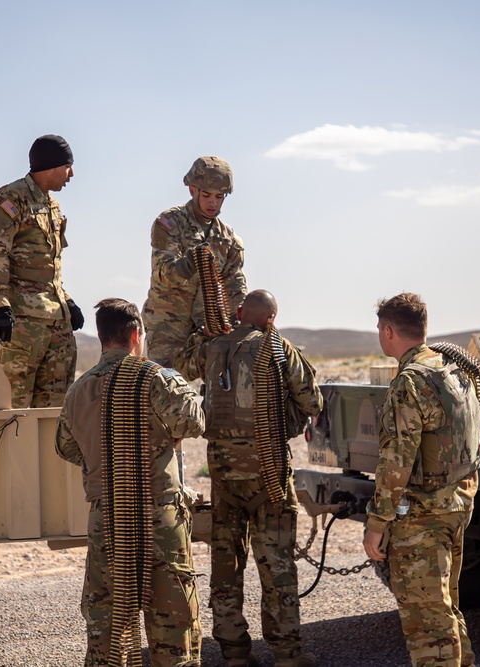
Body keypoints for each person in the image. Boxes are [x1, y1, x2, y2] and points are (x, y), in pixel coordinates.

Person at [55, 298, 203, 667]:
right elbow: (194, 422)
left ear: (101, 337)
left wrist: (104, 459)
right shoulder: (156, 378)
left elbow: (65, 446)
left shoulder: (78, 390)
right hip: (158, 520)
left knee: (108, 624)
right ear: (136, 334)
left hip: (106, 521)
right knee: (173, 628)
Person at [362, 293, 480, 667]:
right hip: (459, 502)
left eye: (380, 329)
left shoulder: (409, 382)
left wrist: (376, 524)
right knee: (444, 605)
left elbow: (396, 463)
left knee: (427, 622)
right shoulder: (458, 366)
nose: (380, 335)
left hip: (423, 514)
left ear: (389, 331)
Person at [181, 290, 323, 667]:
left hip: (224, 477)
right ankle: (287, 653)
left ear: (240, 312)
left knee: (226, 566)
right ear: (272, 318)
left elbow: (181, 365)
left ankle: (234, 654)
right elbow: (313, 402)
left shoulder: (211, 347)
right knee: (277, 566)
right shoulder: (278, 348)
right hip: (269, 476)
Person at [0, 134, 85, 408]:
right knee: (12, 410)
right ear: (51, 166)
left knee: (55, 411)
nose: (71, 174)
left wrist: (67, 300)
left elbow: (51, 264)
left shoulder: (52, 206)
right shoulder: (13, 197)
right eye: (68, 166)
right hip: (24, 325)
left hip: (56, 323)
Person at [142, 156, 248, 372]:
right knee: (164, 387)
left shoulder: (229, 239)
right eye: (207, 195)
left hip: (209, 329)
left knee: (220, 388)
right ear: (192, 190)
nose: (213, 203)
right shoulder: (170, 223)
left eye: (219, 197)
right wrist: (190, 262)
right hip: (168, 325)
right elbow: (164, 272)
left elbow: (235, 285)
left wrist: (246, 317)